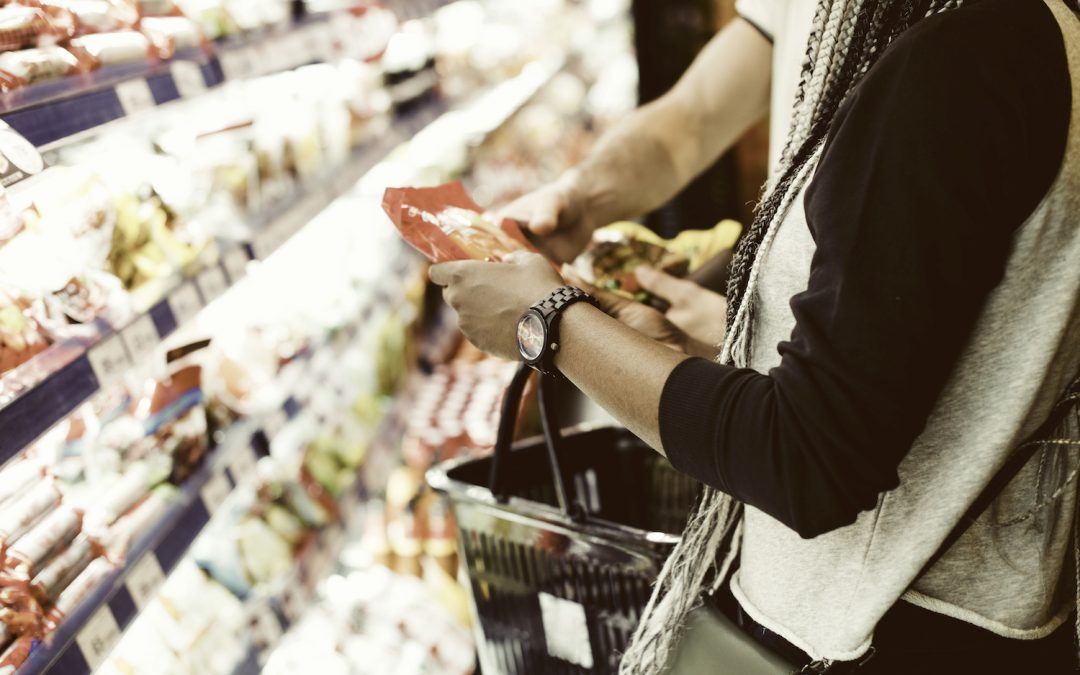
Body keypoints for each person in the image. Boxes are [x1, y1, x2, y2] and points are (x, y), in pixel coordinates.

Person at [429, 0, 1080, 671]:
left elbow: (808, 460)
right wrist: (703, 352)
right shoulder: (1016, 32)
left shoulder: (957, 68)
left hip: (881, 630)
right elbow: (908, 365)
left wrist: (551, 323)